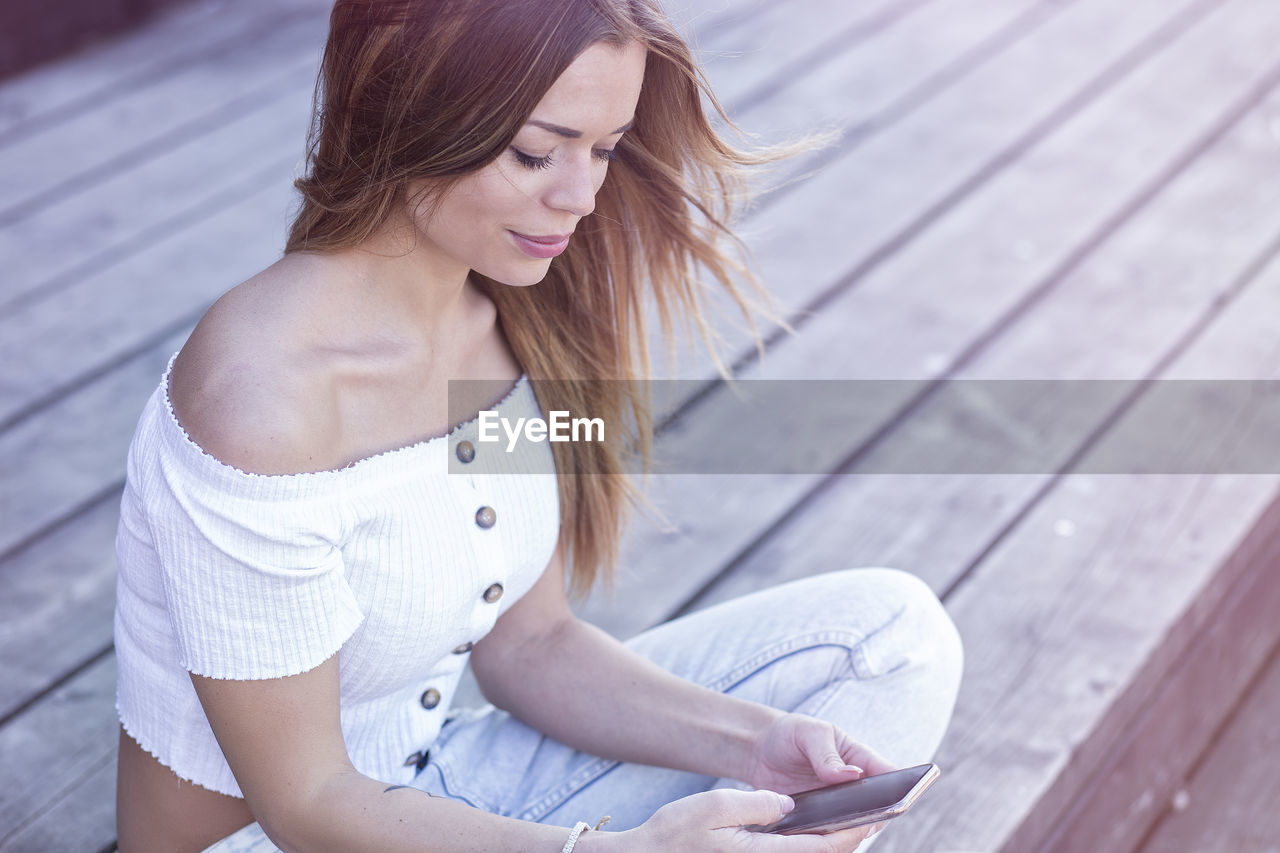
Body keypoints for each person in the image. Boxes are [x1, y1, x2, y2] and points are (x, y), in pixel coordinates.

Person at [111, 0, 964, 851]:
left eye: (604, 149)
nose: (582, 195)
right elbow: (310, 800)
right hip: (284, 837)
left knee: (889, 636)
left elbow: (532, 644)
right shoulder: (262, 403)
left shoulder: (501, 326)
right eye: (535, 152)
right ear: (407, 112)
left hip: (440, 783)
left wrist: (755, 742)